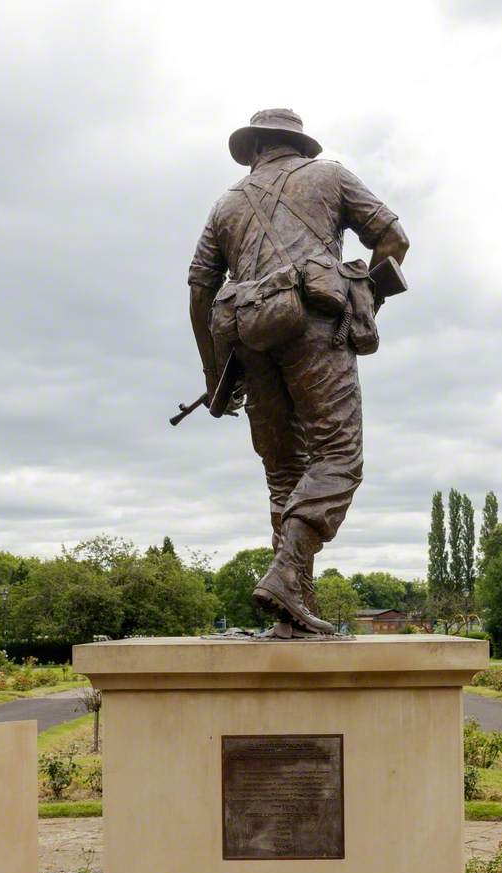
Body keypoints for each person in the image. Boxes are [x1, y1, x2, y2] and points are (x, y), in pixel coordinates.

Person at [188, 109, 408, 635]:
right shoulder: (330, 175)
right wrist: (362, 297)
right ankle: (288, 575)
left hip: (249, 339)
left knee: (285, 475)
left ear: (256, 147)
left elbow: (199, 289)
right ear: (296, 145)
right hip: (316, 331)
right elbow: (393, 237)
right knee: (337, 458)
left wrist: (214, 373)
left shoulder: (225, 204)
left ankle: (291, 609)